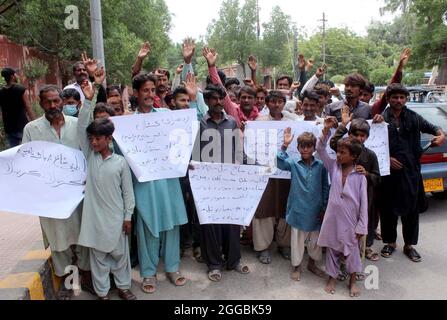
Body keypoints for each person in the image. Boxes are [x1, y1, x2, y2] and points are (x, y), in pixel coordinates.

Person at [22, 84, 93, 299]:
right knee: (59, 240)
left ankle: (87, 278)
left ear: (62, 101)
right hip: (50, 197)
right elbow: (25, 161)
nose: (53, 105)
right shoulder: (32, 129)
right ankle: (68, 282)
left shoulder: (77, 124)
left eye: (56, 101)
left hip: (78, 194)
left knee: (83, 237)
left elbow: (89, 152)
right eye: (48, 102)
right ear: (41, 103)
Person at [77, 71, 137, 300]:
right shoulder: (90, 157)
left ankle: (123, 287)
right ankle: (102, 293)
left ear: (109, 139)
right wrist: (89, 98)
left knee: (121, 257)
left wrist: (128, 216)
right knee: (99, 260)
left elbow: (127, 193)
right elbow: (82, 125)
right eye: (91, 139)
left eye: (98, 139)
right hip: (94, 220)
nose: (93, 142)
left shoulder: (120, 162)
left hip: (116, 219)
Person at [131, 73, 188, 294]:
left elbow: (188, 127)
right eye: (145, 90)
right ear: (136, 93)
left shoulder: (166, 116)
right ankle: (148, 272)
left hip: (169, 182)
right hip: (145, 184)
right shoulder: (128, 122)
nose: (150, 94)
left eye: (152, 90)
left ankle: (172, 268)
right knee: (148, 227)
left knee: (172, 225)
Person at [379, 84, 445, 262]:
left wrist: (441, 135)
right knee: (388, 210)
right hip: (388, 174)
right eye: (395, 97)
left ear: (406, 99)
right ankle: (390, 242)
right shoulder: (381, 119)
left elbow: (436, 129)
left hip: (411, 173)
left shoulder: (415, 118)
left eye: (402, 97)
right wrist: (387, 158)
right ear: (388, 99)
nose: (398, 100)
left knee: (411, 210)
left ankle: (409, 245)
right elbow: (372, 146)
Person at [194, 84, 249, 282]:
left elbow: (239, 151)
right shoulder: (200, 124)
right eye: (214, 99)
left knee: (232, 223)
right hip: (207, 184)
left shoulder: (232, 123)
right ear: (207, 101)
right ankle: (214, 264)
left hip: (230, 182)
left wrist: (253, 167)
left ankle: (233, 260)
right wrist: (192, 167)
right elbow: (193, 155)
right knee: (211, 225)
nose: (219, 102)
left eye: (221, 98)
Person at [316, 117, 368, 298]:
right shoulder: (333, 167)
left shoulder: (360, 176)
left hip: (351, 221)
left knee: (352, 252)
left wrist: (362, 225)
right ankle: (332, 277)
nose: (338, 155)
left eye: (342, 152)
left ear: (353, 156)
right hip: (333, 218)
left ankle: (352, 281)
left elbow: (364, 204)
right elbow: (320, 149)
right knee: (332, 249)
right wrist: (325, 132)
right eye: (338, 151)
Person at [252, 91, 298, 265]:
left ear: (284, 103)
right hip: (266, 171)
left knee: (286, 206)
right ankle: (262, 246)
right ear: (267, 103)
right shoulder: (259, 122)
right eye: (273, 102)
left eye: (280, 102)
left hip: (286, 171)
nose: (277, 105)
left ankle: (284, 244)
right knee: (264, 207)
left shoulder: (293, 121)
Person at [277, 130, 329, 281]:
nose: (305, 149)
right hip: (298, 209)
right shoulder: (293, 163)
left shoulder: (321, 166)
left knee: (315, 241)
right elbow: (279, 162)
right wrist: (285, 145)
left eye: (308, 146)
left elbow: (326, 187)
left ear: (314, 148)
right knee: (297, 241)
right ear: (298, 148)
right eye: (302, 146)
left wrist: (324, 207)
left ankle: (312, 264)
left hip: (315, 210)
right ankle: (296, 266)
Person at [330, 112, 381, 262]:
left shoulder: (370, 155)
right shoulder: (342, 149)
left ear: (367, 137)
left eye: (363, 136)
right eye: (356, 134)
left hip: (364, 198)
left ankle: (363, 251)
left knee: (363, 226)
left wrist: (366, 174)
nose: (359, 138)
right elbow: (333, 142)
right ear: (350, 134)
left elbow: (377, 178)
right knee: (344, 228)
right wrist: (344, 124)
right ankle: (342, 254)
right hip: (344, 199)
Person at [0, 67, 36, 147]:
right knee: (28, 150)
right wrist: (35, 122)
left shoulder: (1, 92)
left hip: (9, 128)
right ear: (12, 76)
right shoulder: (20, 89)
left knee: (14, 152)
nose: (17, 76)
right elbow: (28, 107)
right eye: (15, 74)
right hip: (22, 126)